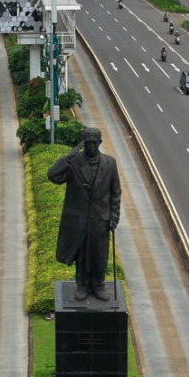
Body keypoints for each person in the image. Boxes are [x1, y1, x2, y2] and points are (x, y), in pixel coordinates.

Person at [48, 128, 122, 301]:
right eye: (87, 143)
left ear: (100, 143)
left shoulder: (110, 163)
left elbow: (115, 193)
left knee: (99, 253)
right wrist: (68, 156)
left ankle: (98, 285)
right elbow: (52, 175)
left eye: (93, 143)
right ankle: (81, 285)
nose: (90, 146)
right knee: (81, 255)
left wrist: (114, 216)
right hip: (79, 220)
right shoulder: (74, 163)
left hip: (100, 220)